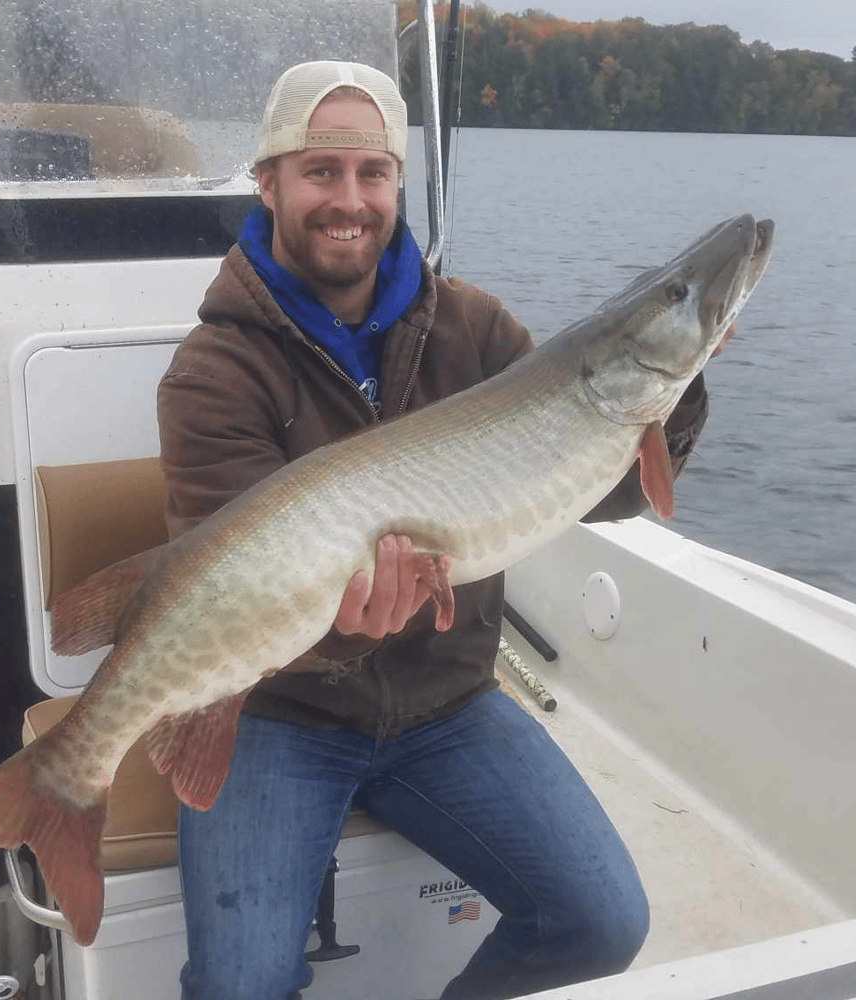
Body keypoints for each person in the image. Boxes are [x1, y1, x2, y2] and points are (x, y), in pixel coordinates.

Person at [157, 60, 708, 1000]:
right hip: (278, 716)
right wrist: (341, 630)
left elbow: (602, 492)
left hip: (445, 706)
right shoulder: (213, 372)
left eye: (372, 173)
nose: (350, 200)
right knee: (238, 990)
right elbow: (230, 589)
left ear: (397, 184)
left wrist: (678, 386)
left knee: (604, 921)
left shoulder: (477, 329)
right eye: (320, 171)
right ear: (269, 183)